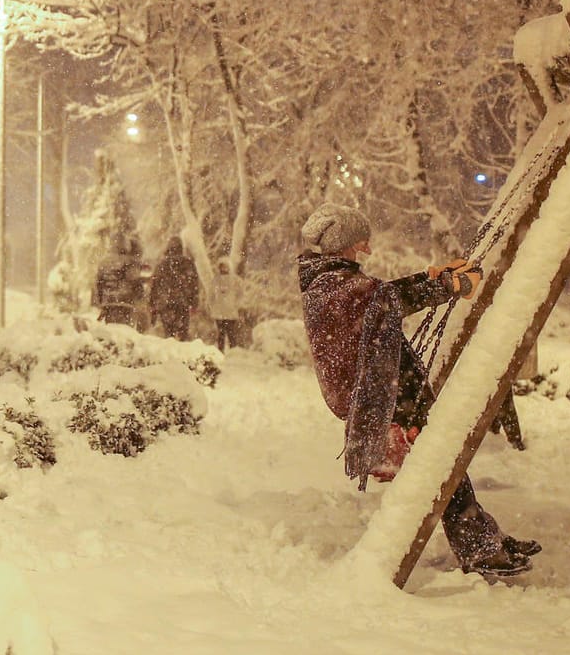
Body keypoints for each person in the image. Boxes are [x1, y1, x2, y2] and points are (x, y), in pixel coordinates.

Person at [296, 203, 538, 580]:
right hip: (381, 399)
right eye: (361, 243)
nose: (367, 250)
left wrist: (431, 276)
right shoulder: (341, 288)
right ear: (343, 244)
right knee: (440, 465)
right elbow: (385, 300)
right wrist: (443, 286)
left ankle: (485, 541)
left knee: (444, 462)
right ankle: (479, 548)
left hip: (384, 392)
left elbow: (381, 296)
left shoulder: (330, 283)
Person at [147, 236, 200, 340]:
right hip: (182, 303)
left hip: (165, 303)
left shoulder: (162, 264)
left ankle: (171, 350)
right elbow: (194, 285)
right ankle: (182, 351)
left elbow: (155, 285)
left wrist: (152, 304)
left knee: (168, 334)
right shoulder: (188, 263)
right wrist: (194, 303)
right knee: (182, 334)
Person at [205, 260, 242, 351]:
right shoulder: (233, 280)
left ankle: (226, 352)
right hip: (225, 312)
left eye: (224, 267)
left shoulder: (218, 280)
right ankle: (227, 352)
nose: (223, 269)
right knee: (227, 334)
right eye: (222, 267)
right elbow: (210, 296)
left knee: (226, 334)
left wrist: (210, 306)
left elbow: (210, 296)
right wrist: (236, 305)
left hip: (224, 312)